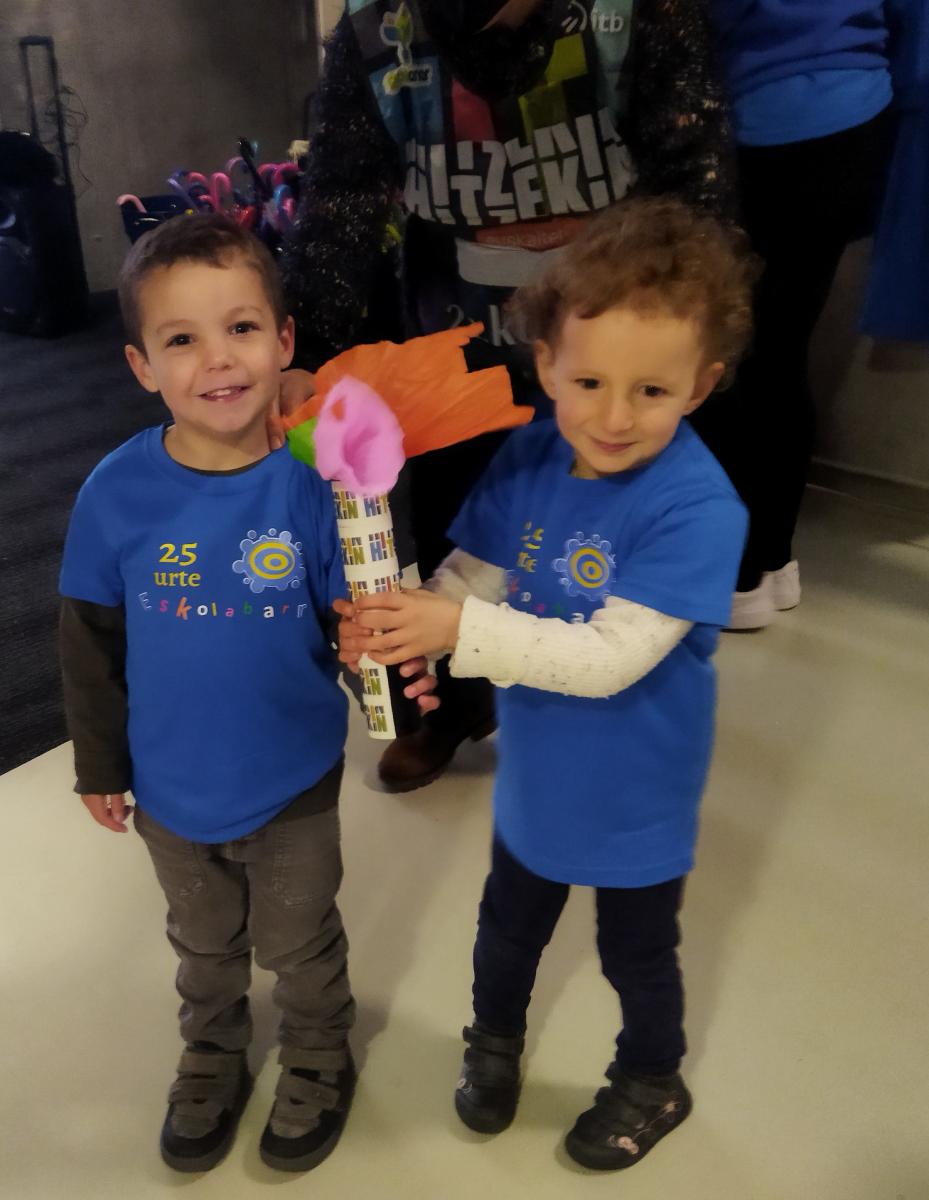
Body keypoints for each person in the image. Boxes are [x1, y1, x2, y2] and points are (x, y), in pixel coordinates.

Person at [337, 197, 754, 1171]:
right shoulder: (529, 453)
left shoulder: (697, 508)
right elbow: (473, 576)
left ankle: (652, 1075)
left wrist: (456, 630)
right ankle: (492, 1042)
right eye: (589, 381)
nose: (613, 416)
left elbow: (610, 657)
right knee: (506, 929)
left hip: (636, 789)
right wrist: (407, 619)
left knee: (634, 952)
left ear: (701, 384)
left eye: (651, 390)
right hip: (536, 771)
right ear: (546, 364)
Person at [58, 214, 435, 1175]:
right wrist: (99, 765)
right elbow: (90, 644)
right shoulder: (114, 493)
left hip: (291, 779)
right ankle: (212, 1051)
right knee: (203, 945)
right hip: (168, 788)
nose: (218, 359)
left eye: (240, 328)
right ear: (142, 366)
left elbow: (350, 623)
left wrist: (384, 659)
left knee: (298, 942)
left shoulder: (316, 486)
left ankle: (315, 1053)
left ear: (283, 339)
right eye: (182, 339)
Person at [278, 0, 736, 792]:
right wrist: (411, 622)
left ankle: (568, 707)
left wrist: (680, 347)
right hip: (456, 337)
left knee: (601, 547)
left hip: (615, 336)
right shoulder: (373, 31)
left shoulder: (641, 13)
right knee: (463, 515)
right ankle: (457, 711)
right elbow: (340, 199)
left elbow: (695, 190)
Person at [692, 0, 899, 628]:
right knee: (779, 351)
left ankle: (737, 576)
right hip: (855, 109)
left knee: (723, 356)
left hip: (764, 120)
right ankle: (772, 561)